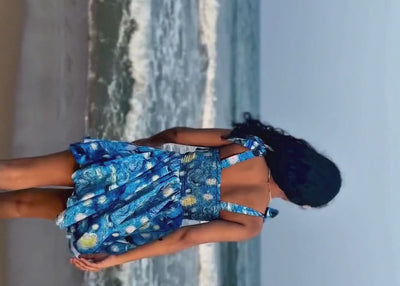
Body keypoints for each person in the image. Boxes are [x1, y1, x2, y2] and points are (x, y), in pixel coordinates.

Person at [0, 112, 341, 272]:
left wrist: (144, 146)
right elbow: (183, 238)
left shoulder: (252, 148)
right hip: (133, 211)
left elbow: (177, 135)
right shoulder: (250, 222)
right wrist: (116, 259)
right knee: (23, 205)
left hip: (133, 167)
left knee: (16, 175)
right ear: (302, 201)